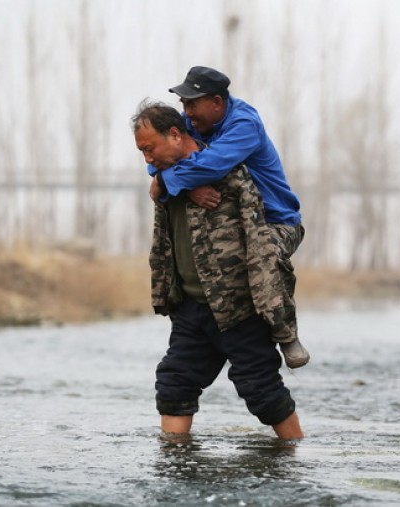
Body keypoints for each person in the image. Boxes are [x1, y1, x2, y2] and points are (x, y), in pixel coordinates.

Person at [132, 100, 304, 439]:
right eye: (142, 151)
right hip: (191, 309)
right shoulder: (166, 181)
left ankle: (295, 461)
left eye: (150, 149)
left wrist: (273, 310)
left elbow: (259, 243)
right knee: (173, 387)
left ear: (176, 135)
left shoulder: (230, 174)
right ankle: (175, 467)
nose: (147, 159)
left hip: (238, 308)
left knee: (263, 393)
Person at [148, 65, 309, 369]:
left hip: (276, 221)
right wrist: (184, 186)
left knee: (265, 255)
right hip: (236, 223)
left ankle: (286, 333)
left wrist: (173, 182)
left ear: (217, 102)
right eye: (183, 104)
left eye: (192, 103)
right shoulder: (191, 123)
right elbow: (161, 157)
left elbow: (211, 165)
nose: (186, 111)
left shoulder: (244, 124)